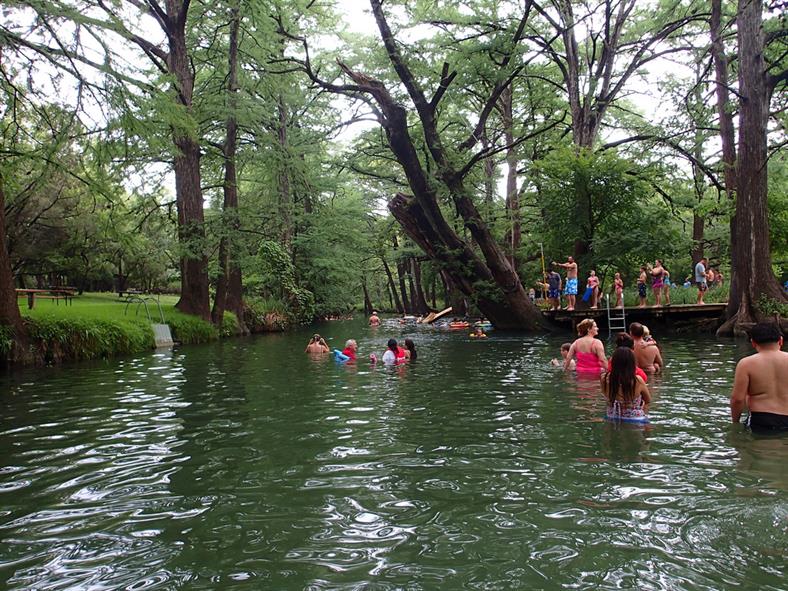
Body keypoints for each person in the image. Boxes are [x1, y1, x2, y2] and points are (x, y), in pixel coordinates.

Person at [730, 322, 788, 432]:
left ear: (753, 343)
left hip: (762, 419)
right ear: (780, 340)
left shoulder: (746, 364)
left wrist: (735, 422)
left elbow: (737, 399)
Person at [602, 347, 651, 422]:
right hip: (635, 419)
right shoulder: (638, 380)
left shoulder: (604, 379)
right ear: (632, 363)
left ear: (614, 362)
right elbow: (647, 401)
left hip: (612, 418)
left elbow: (605, 396)